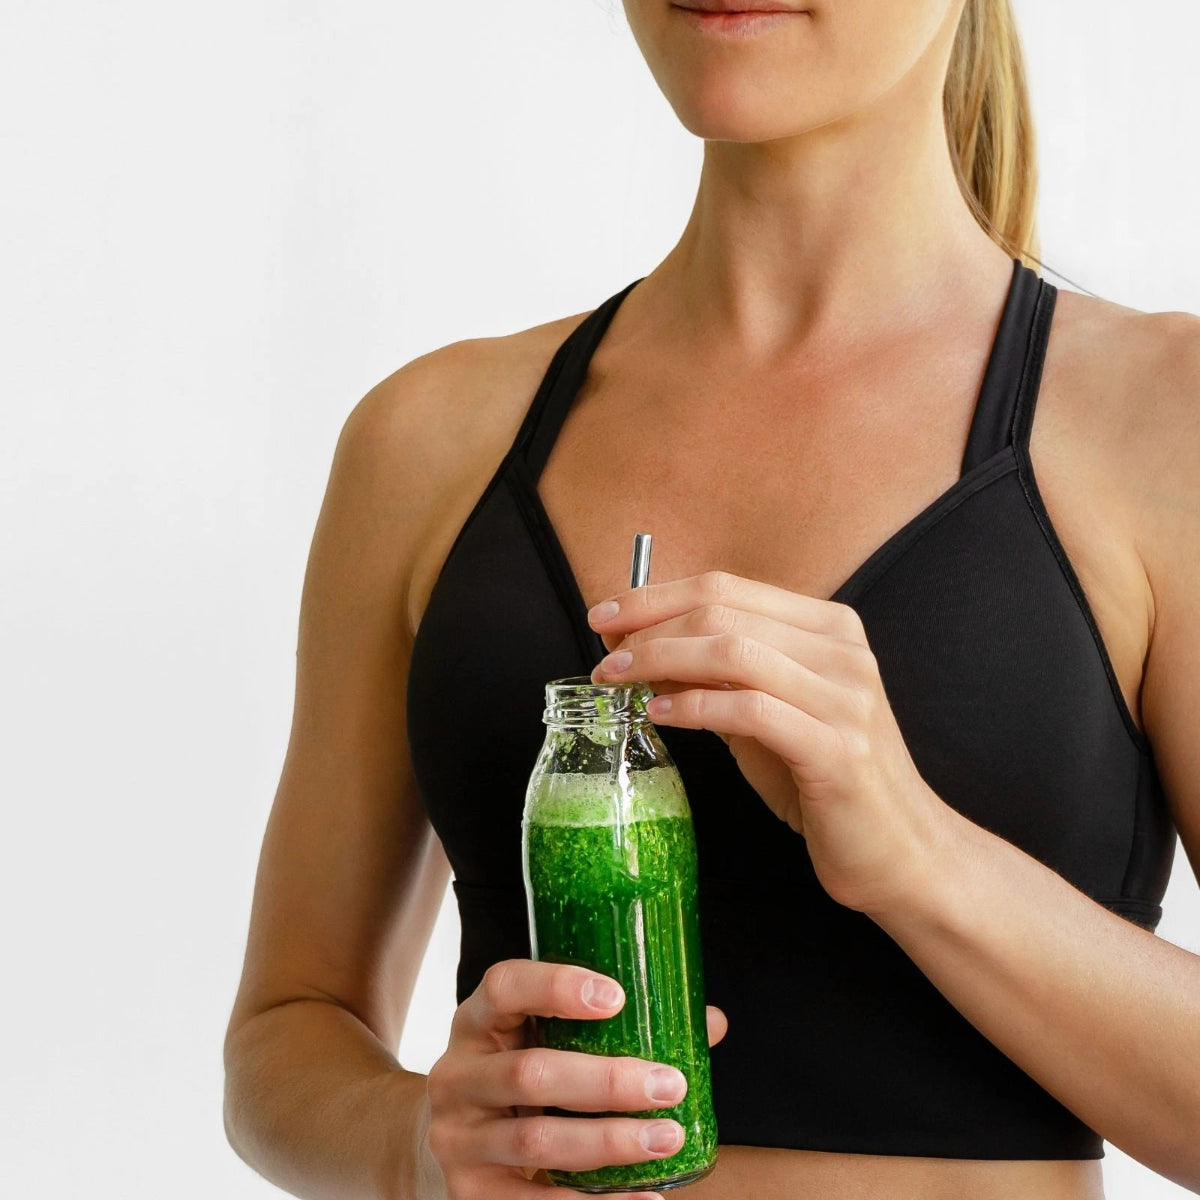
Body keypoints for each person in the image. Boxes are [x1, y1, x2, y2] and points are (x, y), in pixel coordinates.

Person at [223, 1, 1200, 1198]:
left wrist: (915, 853)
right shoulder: (426, 441)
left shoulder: (1166, 427)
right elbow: (286, 1029)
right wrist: (418, 1144)